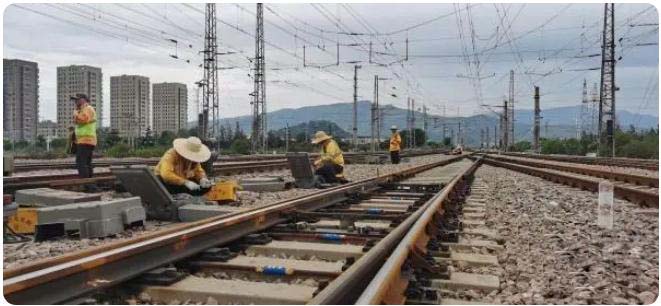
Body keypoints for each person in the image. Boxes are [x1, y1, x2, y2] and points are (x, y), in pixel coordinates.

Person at [71, 94, 97, 191]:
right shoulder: (83, 110)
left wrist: (75, 114)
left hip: (86, 140)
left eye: (77, 100)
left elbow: (83, 120)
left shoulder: (88, 108)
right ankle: (90, 185)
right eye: (74, 100)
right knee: (86, 163)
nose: (75, 102)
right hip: (86, 140)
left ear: (84, 100)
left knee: (81, 162)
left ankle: (88, 185)